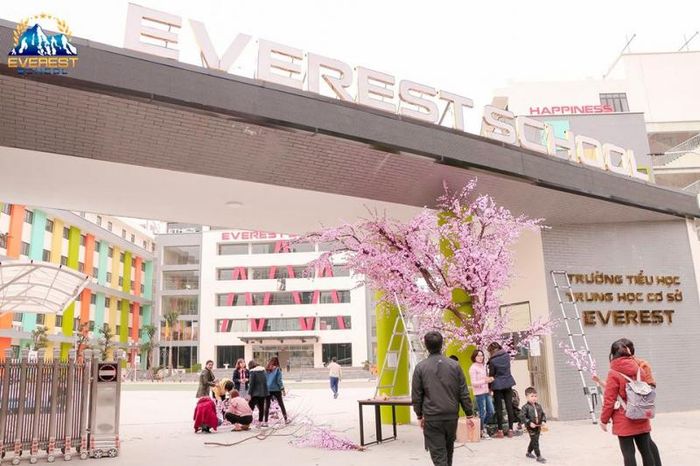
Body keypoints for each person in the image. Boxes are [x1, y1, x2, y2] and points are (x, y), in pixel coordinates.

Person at [594, 338, 661, 466]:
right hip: (641, 414)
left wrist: (603, 420)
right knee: (646, 451)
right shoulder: (640, 369)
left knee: (628, 453)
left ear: (613, 354)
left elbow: (609, 400)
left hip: (623, 418)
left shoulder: (613, 373)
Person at [411, 331, 475, 466]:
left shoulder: (420, 367)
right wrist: (469, 414)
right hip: (451, 416)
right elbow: (463, 392)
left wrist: (419, 415)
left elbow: (417, 395)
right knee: (448, 451)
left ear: (426, 345)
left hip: (432, 417)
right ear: (442, 344)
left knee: (439, 456)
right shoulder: (454, 365)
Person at [487, 342, 518, 438]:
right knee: (509, 407)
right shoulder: (507, 356)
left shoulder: (492, 361)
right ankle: (510, 430)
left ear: (491, 351)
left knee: (499, 408)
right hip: (508, 383)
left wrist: (489, 387)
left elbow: (491, 375)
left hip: (497, 385)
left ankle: (500, 431)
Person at [468, 349, 495, 439]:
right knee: (482, 412)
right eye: (478, 356)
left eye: (482, 355)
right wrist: (485, 381)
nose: (480, 357)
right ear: (474, 357)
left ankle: (483, 426)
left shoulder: (483, 366)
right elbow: (473, 383)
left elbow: (484, 379)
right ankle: (482, 430)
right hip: (479, 393)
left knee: (491, 411)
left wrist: (489, 380)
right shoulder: (473, 368)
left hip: (486, 392)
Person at [522, 387, 547, 463]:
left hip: (538, 426)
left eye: (535, 396)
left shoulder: (538, 406)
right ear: (527, 397)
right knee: (535, 441)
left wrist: (543, 421)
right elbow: (522, 416)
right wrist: (529, 422)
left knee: (534, 440)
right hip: (530, 427)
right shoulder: (525, 407)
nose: (534, 398)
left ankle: (528, 452)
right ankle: (539, 456)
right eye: (532, 396)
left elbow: (543, 414)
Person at [264, 357, 289, 424]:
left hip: (268, 389)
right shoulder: (278, 369)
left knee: (267, 405)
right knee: (281, 404)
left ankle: (266, 422)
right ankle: (286, 420)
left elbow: (264, 380)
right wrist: (282, 389)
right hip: (276, 389)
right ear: (277, 362)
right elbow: (279, 380)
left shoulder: (266, 369)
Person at [247, 360, 269, 425]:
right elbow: (265, 381)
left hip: (255, 393)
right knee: (261, 408)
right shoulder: (263, 371)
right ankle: (260, 422)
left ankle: (247, 421)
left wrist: (249, 393)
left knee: (250, 408)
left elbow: (251, 384)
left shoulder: (253, 372)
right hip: (263, 392)